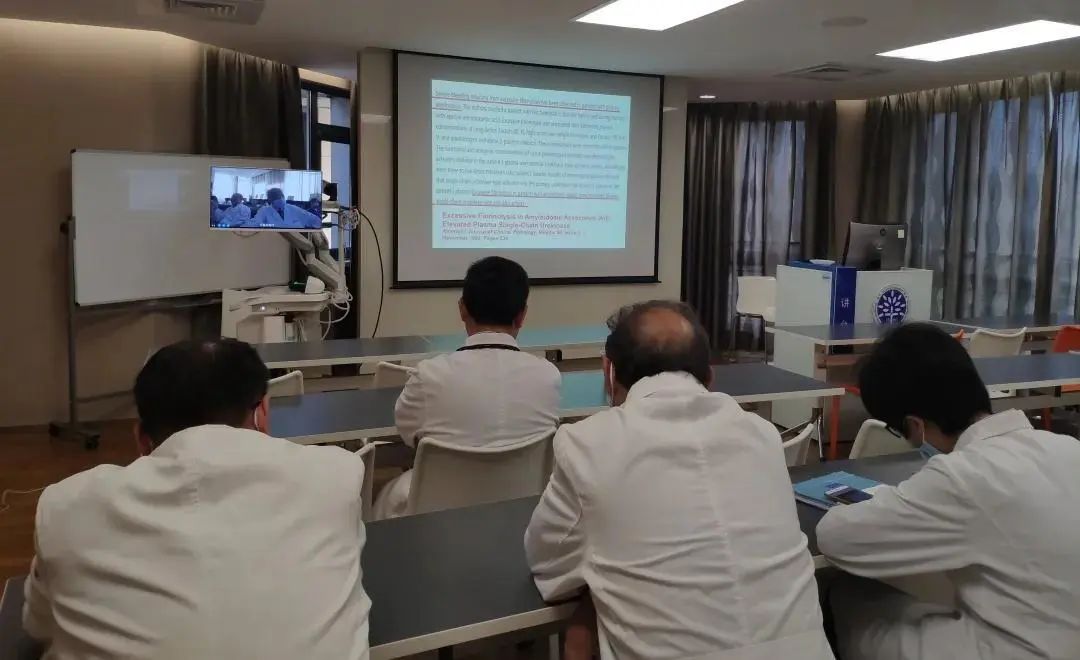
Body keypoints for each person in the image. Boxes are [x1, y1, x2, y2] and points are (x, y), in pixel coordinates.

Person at [22, 339, 372, 659]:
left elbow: (36, 624)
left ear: (142, 439)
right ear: (263, 414)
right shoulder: (335, 476)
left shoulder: (66, 508)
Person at [524, 300, 834, 660]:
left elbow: (548, 563)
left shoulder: (587, 446)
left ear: (608, 373)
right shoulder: (762, 435)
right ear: (710, 377)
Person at [817, 323, 1080, 660]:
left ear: (915, 426)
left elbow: (835, 538)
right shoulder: (1067, 447)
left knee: (846, 594)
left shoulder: (962, 476)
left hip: (1014, 649)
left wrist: (885, 500)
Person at [372, 256, 561, 519]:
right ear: (522, 316)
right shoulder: (548, 376)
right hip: (521, 515)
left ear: (462, 309)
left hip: (437, 519)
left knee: (389, 494)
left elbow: (407, 434)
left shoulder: (429, 376)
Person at [250, 187, 321, 229]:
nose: (280, 200)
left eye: (281, 197)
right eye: (277, 199)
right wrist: (269, 225)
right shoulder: (264, 210)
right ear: (271, 201)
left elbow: (313, 219)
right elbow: (255, 223)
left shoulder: (293, 208)